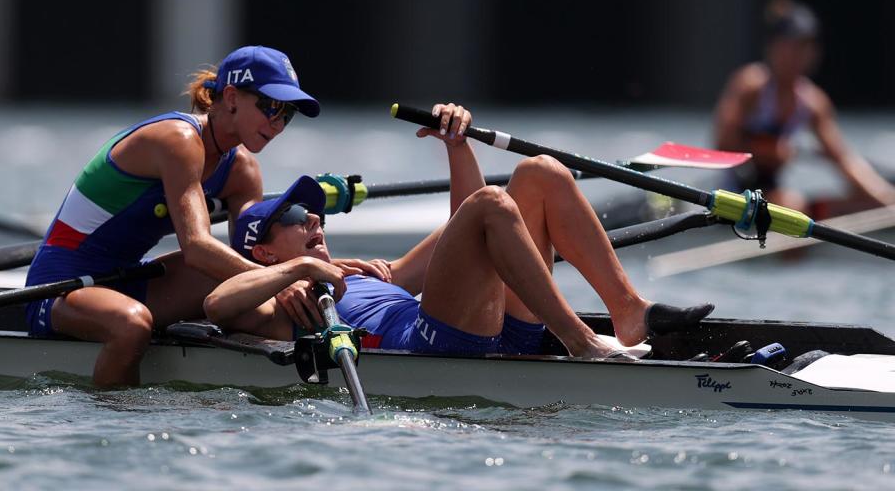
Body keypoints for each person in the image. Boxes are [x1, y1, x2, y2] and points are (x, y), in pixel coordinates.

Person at [204, 104, 714, 359]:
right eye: (295, 218)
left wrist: (456, 144)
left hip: (490, 327)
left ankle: (628, 314)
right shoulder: (280, 304)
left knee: (541, 172)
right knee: (493, 202)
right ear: (264, 252)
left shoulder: (367, 275)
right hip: (433, 345)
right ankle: (580, 341)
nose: (314, 221)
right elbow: (216, 307)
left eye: (316, 215)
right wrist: (303, 268)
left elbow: (462, 230)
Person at [24, 45, 320, 387]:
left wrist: (331, 268)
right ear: (232, 97)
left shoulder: (243, 171)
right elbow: (196, 247)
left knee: (247, 292)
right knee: (132, 325)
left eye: (287, 114)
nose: (278, 123)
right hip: (59, 288)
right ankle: (116, 421)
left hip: (127, 280)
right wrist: (287, 277)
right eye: (270, 106)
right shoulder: (177, 140)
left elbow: (253, 259)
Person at [714, 0, 895, 214]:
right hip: (735, 191)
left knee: (865, 205)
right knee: (792, 204)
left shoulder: (813, 102)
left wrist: (884, 197)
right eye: (791, 47)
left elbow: (844, 159)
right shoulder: (750, 85)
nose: (797, 56)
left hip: (772, 191)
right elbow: (722, 144)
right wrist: (767, 150)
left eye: (805, 48)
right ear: (772, 47)